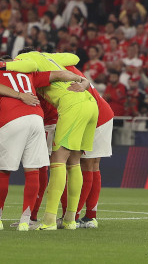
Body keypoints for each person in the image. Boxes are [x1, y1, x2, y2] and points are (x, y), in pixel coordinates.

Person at [13, 50, 94, 230]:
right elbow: (75, 57)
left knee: (58, 161)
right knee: (74, 163)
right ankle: (70, 219)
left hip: (73, 105)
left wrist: (3, 65)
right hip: (89, 104)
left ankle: (49, 220)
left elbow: (29, 66)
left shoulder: (28, 60)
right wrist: (84, 80)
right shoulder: (50, 58)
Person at [69, 65, 115, 229]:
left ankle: (73, 217)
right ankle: (90, 217)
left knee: (86, 165)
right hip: (102, 113)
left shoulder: (62, 71)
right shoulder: (71, 68)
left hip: (95, 118)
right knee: (93, 166)